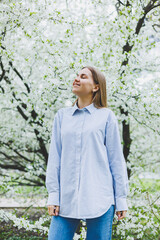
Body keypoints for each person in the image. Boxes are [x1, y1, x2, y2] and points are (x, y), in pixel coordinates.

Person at [45, 66, 129, 240]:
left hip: (100, 198)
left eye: (83, 76)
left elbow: (116, 161)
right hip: (65, 199)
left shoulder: (106, 117)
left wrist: (121, 198)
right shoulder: (62, 117)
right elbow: (55, 158)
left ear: (96, 87)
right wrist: (53, 195)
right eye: (76, 75)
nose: (76, 79)